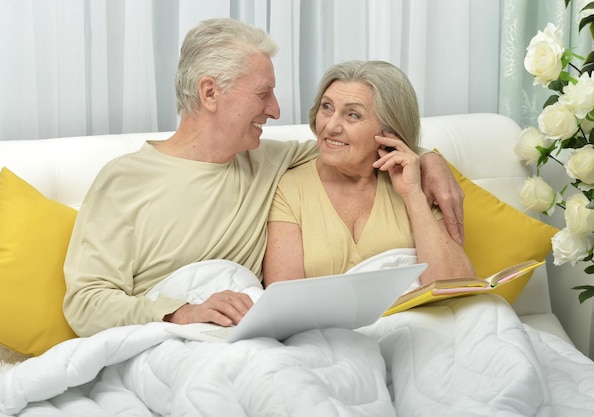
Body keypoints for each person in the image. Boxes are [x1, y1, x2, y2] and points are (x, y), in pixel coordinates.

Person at [63, 18, 465, 337]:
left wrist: (431, 161)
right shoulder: (125, 180)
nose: (275, 110)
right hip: (171, 334)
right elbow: (85, 303)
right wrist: (178, 314)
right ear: (209, 93)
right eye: (263, 93)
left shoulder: (268, 159)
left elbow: (366, 146)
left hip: (237, 332)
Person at [263, 60, 474, 287]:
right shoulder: (291, 187)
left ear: (390, 131)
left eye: (353, 115)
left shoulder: (417, 181)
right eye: (326, 107)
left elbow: (455, 287)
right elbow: (285, 300)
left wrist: (413, 196)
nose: (330, 126)